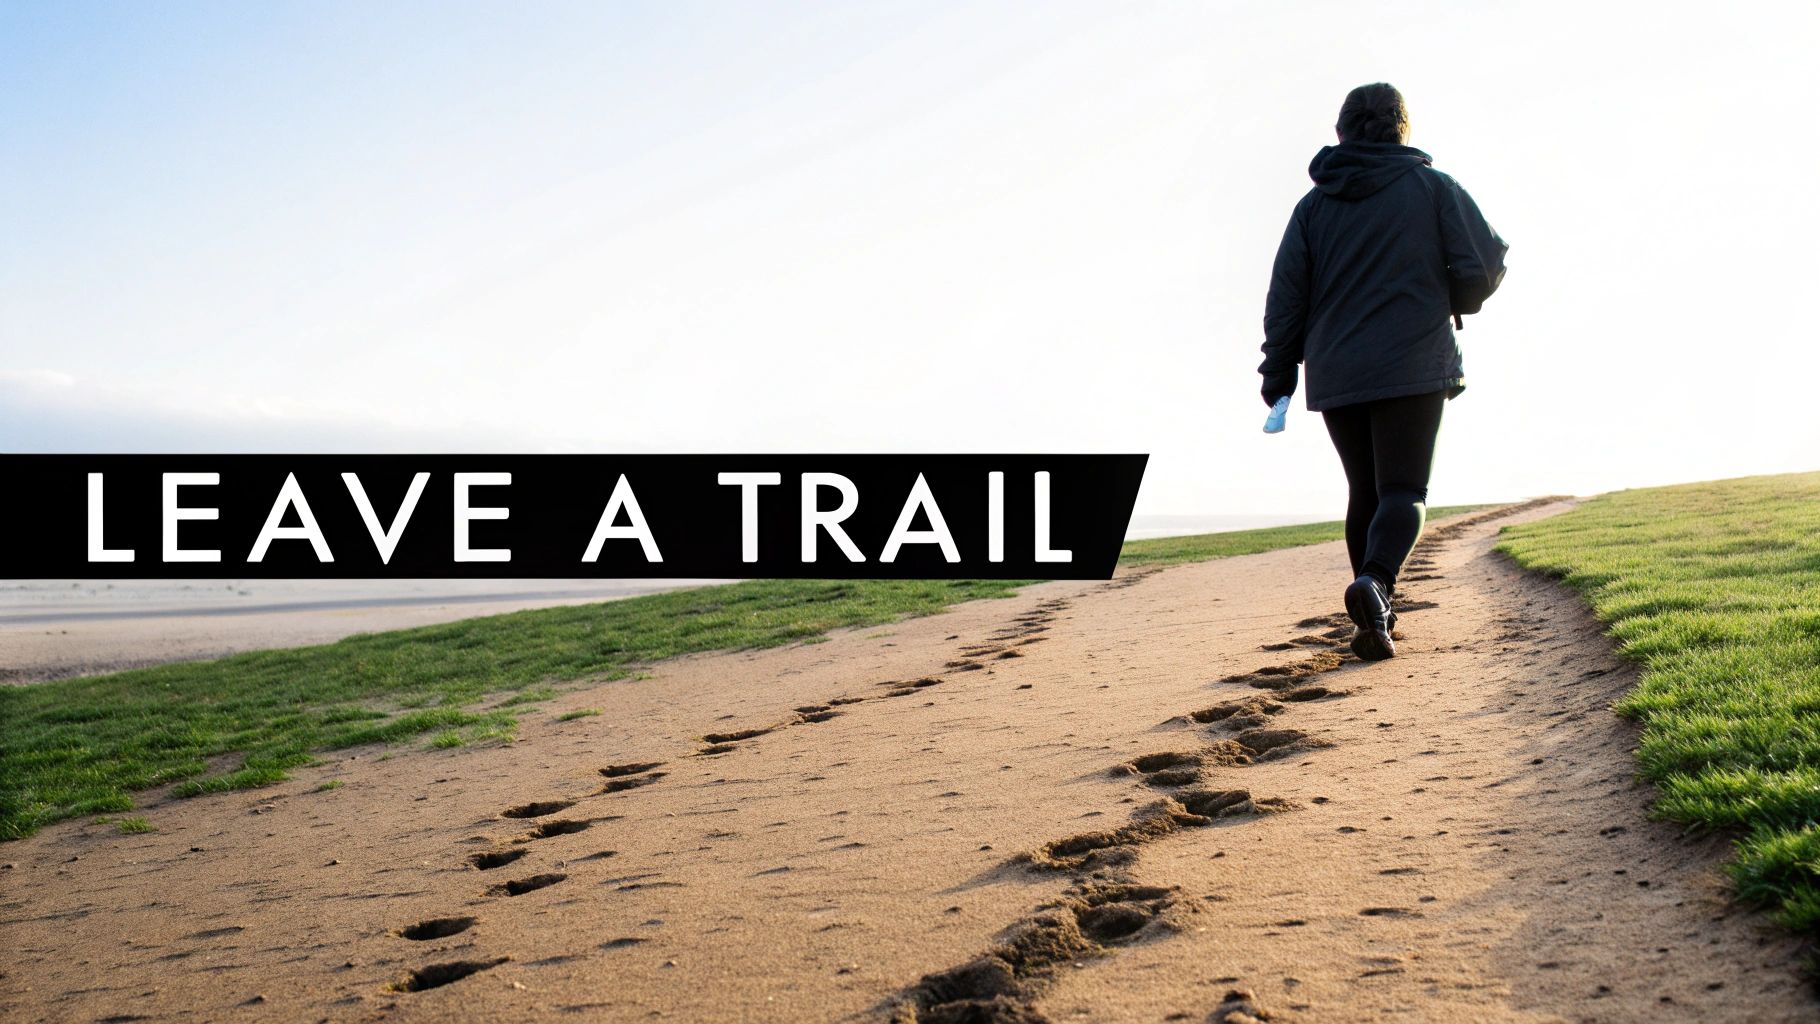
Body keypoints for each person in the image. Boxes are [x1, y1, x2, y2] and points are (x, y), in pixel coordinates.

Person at [1258, 82, 1507, 661]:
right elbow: (1486, 263)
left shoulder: (1312, 207)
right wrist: (1453, 295)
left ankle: (1375, 619)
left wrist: (1278, 376)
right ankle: (1375, 586)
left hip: (1338, 369)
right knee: (1404, 489)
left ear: (1342, 131)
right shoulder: (1433, 188)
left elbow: (1285, 299)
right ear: (1402, 129)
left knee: (1364, 492)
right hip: (1414, 360)